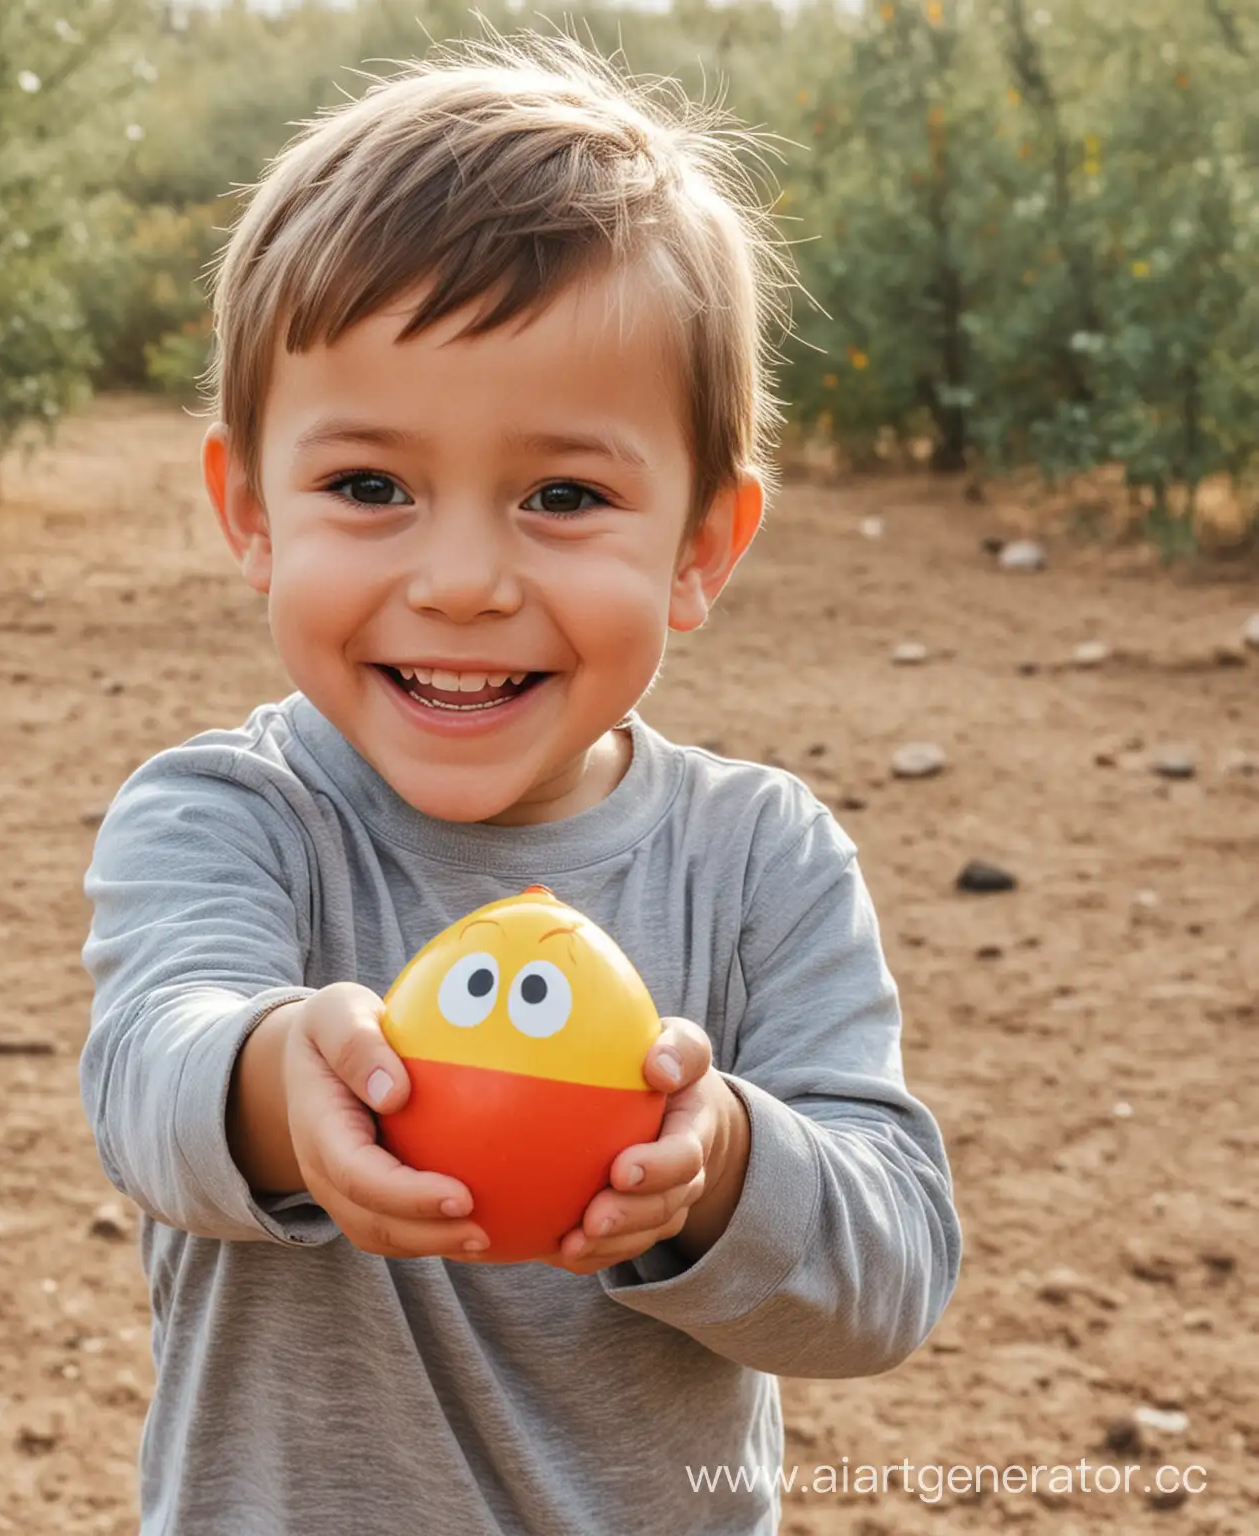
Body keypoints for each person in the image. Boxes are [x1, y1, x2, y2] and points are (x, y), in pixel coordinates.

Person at [81, 31, 961, 1536]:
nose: (467, 580)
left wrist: (722, 1167)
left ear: (700, 550)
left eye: (564, 496)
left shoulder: (760, 861)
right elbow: (147, 1078)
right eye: (370, 487)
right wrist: (283, 1083)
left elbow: (888, 1276)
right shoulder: (225, 817)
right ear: (251, 514)